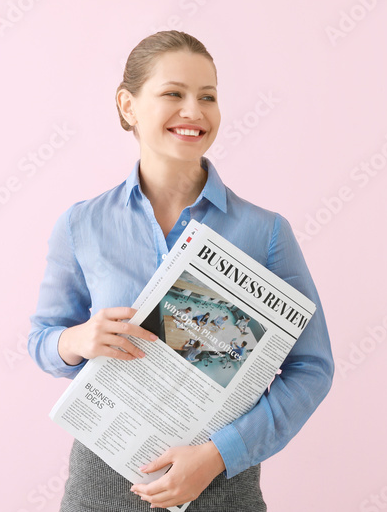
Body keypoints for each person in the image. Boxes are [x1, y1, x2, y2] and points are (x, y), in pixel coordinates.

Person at [28, 30, 334, 511]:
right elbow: (43, 337)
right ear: (127, 105)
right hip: (100, 490)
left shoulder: (266, 232)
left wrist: (218, 456)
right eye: (174, 93)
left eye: (208, 97)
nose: (194, 111)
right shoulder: (82, 224)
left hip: (221, 491)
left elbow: (311, 368)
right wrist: (75, 342)